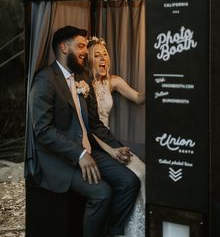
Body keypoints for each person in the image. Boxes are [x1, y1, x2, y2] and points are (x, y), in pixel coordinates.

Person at [28, 26, 140, 237]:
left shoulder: (83, 76)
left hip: (89, 150)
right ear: (63, 47)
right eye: (80, 46)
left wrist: (116, 148)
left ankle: (112, 231)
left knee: (129, 182)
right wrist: (79, 155)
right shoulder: (45, 80)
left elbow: (95, 123)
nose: (84, 52)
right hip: (60, 159)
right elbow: (43, 131)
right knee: (102, 193)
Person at [87, 36, 145, 237]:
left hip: (109, 138)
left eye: (105, 54)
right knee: (133, 177)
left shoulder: (113, 81)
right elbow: (88, 127)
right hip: (95, 142)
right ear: (88, 59)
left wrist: (159, 81)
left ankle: (136, 229)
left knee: (143, 172)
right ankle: (118, 230)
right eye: (97, 55)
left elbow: (138, 98)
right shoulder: (83, 86)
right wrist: (110, 150)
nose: (103, 58)